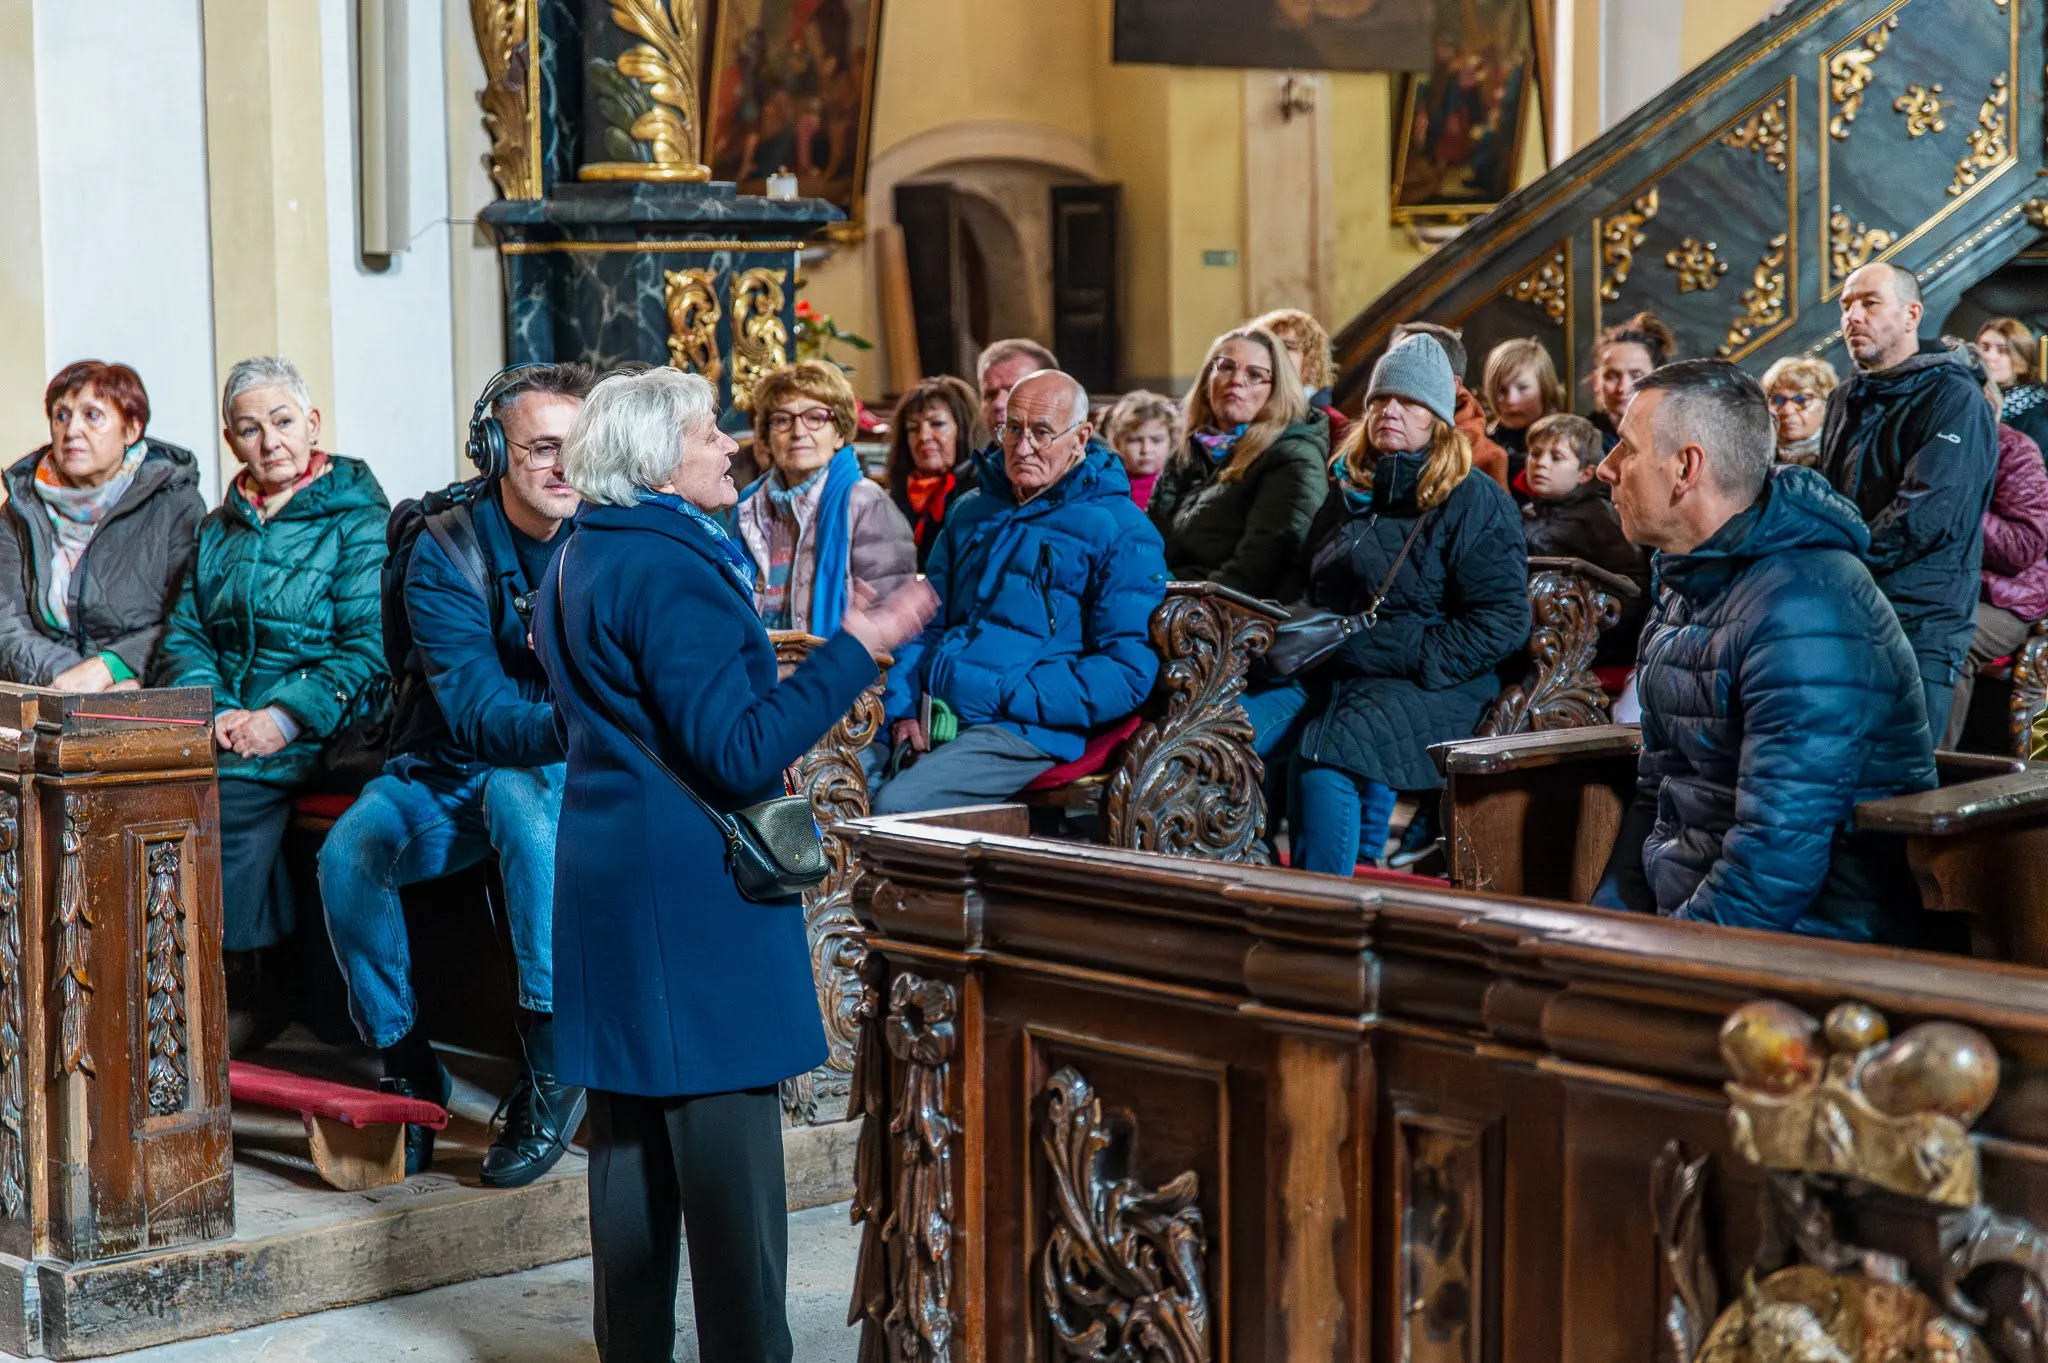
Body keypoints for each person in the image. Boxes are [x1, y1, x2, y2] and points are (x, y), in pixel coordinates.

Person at [532, 366, 935, 1361]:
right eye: (711, 432)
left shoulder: (578, 552)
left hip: (612, 880)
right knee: (731, 1196)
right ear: (661, 459)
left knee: (629, 1170)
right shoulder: (668, 567)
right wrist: (856, 645)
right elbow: (739, 751)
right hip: (693, 903)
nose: (731, 446)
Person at [317, 363, 594, 1184]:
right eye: (541, 448)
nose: (563, 468)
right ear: (493, 452)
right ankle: (408, 1063)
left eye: (575, 448)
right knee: (350, 853)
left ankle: (554, 1060)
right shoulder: (446, 549)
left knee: (518, 792)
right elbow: (474, 712)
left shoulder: (610, 533)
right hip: (448, 764)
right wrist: (583, 709)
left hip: (556, 774)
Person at [1594, 359, 1937, 945]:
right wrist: (1605, 924)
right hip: (1700, 924)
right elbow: (1659, 792)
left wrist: (1660, 963)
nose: (1604, 469)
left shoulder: (1805, 605)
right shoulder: (1690, 583)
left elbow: (1779, 856)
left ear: (1686, 468)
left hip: (1812, 944)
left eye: (1624, 448)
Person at [153, 357, 389, 1052]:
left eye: (283, 422)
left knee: (224, 792)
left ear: (312, 425)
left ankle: (244, 981)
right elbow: (184, 632)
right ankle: (169, 974)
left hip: (328, 722)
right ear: (232, 441)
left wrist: (282, 717)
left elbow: (367, 647)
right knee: (147, 787)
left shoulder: (356, 516)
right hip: (228, 719)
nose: (268, 441)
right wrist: (219, 707)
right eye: (249, 429)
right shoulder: (221, 526)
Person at [1275, 334, 1529, 873]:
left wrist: (1406, 651)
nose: (1390, 410)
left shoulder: (1475, 499)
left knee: (1326, 754)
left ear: (1437, 415)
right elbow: (1309, 582)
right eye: (1380, 400)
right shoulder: (1349, 486)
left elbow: (1503, 622)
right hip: (1337, 660)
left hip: (1434, 679)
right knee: (1229, 721)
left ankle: (1319, 915)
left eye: (1409, 401)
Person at [871, 370, 1168, 813]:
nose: (1023, 447)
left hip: (1022, 728)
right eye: (1013, 429)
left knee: (896, 808)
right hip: (934, 712)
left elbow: (1126, 673)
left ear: (1081, 437)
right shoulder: (972, 510)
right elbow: (925, 622)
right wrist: (904, 708)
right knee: (825, 777)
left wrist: (1008, 692)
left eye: (1042, 433)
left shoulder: (1122, 531)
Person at [1820, 262, 1998, 741]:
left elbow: (1926, 514)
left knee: (1911, 788)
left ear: (1911, 314)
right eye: (1846, 305)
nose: (1853, 316)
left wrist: (1837, 561)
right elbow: (1833, 501)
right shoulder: (1844, 397)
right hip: (1849, 610)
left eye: (1870, 302)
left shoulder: (1954, 396)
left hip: (1921, 619)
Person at [0, 361, 204, 689]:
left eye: (92, 415)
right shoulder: (19, 510)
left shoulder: (175, 503)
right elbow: (6, 626)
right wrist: (72, 677)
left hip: (146, 689)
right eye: (61, 415)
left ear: (131, 429)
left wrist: (114, 667)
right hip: (49, 690)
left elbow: (188, 617)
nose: (71, 430)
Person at [732, 360, 915, 635]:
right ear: (766, 438)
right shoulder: (749, 504)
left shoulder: (865, 502)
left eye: (815, 418)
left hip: (834, 670)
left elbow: (889, 618)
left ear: (840, 432)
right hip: (759, 668)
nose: (798, 432)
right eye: (782, 420)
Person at [1145, 326, 1329, 597]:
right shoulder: (1190, 451)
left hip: (1231, 616)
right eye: (1226, 367)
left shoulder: (1293, 456)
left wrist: (1182, 603)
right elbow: (1148, 539)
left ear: (1276, 389)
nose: (1236, 380)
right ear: (1208, 379)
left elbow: (1260, 566)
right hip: (1169, 597)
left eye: (1254, 375)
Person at [1942, 355, 2048, 749]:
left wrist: (1962, 505)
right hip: (1942, 587)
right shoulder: (1929, 447)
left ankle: (1926, 777)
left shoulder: (2015, 451)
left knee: (1945, 636)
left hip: (2005, 598)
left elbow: (2024, 547)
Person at [1521, 412, 1650, 666]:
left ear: (1586, 473)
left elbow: (1631, 587)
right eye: (1535, 454)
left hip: (1581, 640)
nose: (1541, 463)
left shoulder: (1599, 516)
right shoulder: (1528, 511)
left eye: (1556, 457)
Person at [1391, 321, 1508, 489]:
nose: (1393, 377)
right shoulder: (1378, 435)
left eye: (1412, 366)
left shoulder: (1488, 458)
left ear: (1450, 383)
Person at [883, 375, 983, 570]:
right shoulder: (895, 497)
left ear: (963, 429)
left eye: (937, 424)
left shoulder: (981, 493)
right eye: (913, 428)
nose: (923, 437)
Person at [1481, 337, 1566, 487]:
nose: (1510, 400)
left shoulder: (1567, 444)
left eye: (1523, 388)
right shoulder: (1482, 445)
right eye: (1501, 390)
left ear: (1545, 388)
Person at [1252, 307, 1349, 439]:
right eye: (1269, 345)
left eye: (1288, 346)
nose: (1275, 353)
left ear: (1311, 361)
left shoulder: (1335, 426)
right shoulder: (1246, 415)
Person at [1590, 312, 1676, 451]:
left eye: (1637, 376)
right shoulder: (1580, 441)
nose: (1623, 388)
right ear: (1596, 382)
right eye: (1612, 377)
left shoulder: (1678, 440)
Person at [1977, 316, 2048, 452]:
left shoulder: (2038, 417)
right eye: (1984, 347)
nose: (1989, 356)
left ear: (2021, 364)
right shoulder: (1970, 398)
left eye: (2002, 350)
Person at [1104, 389, 1182, 510]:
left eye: (1156, 440)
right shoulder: (1105, 485)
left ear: (1171, 442)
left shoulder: (1180, 487)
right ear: (1116, 442)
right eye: (1134, 440)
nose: (1146, 450)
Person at [976, 337, 1059, 447]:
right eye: (990, 394)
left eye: (1013, 390)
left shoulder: (1086, 462)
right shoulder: (977, 463)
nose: (998, 404)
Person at [1760, 355, 1840, 467]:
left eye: (1801, 399)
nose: (1787, 411)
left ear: (1826, 404)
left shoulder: (1842, 454)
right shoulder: (1758, 458)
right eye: (1778, 400)